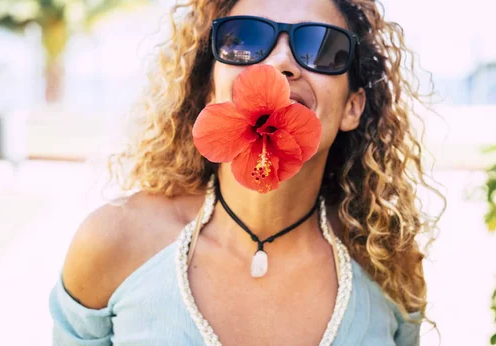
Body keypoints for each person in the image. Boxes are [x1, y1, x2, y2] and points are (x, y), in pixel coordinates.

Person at [49, 0, 443, 345]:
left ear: (352, 108)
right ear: (210, 91)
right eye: (245, 40)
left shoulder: (387, 259)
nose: (280, 63)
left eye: (320, 46)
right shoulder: (115, 243)